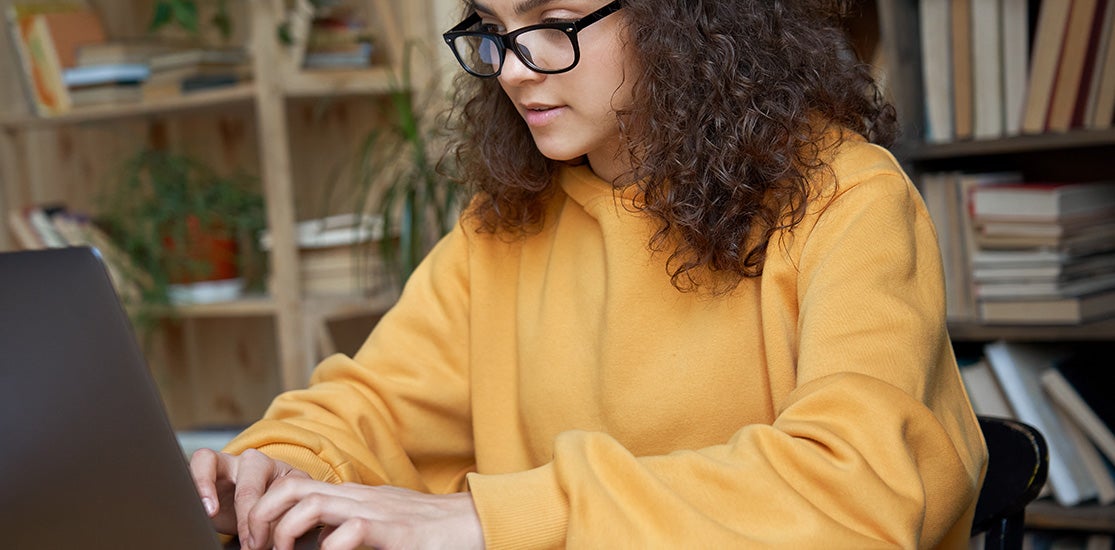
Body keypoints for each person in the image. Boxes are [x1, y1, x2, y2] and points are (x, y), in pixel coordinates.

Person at [190, 0, 989, 548]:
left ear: (687, 21)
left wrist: (490, 522)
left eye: (555, 23)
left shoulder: (848, 199)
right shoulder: (501, 227)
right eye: (493, 28)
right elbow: (372, 410)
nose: (511, 68)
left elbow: (859, 495)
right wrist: (272, 472)